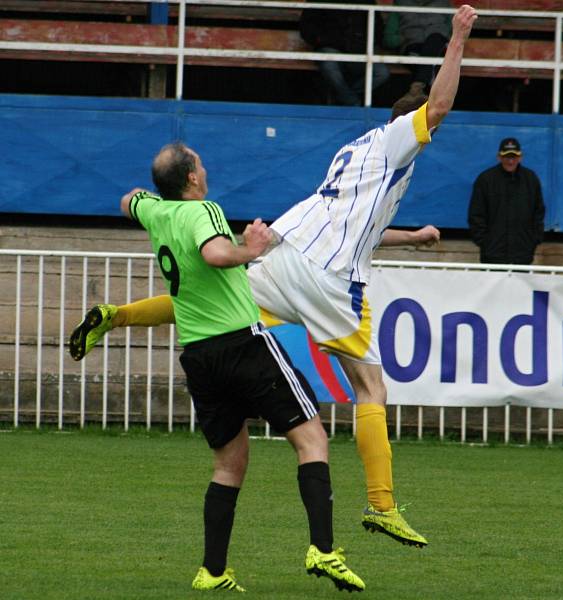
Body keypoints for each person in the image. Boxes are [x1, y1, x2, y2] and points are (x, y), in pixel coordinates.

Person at [70, 4, 478, 551]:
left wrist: (413, 237)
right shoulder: (402, 142)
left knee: (205, 301)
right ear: (412, 123)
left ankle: (114, 316)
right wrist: (457, 39)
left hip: (285, 251)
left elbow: (355, 224)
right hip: (329, 276)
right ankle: (381, 505)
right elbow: (443, 102)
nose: (435, 127)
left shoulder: (359, 150)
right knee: (370, 385)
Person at [119, 142, 364, 593]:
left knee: (228, 466)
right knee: (312, 439)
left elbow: (129, 198)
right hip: (241, 344)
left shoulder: (156, 212)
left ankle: (212, 572)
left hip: (198, 355)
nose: (206, 167)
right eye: (200, 162)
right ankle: (324, 551)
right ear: (192, 178)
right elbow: (215, 254)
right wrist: (252, 247)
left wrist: (145, 200)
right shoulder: (203, 210)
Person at [468, 137, 546, 265]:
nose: (510, 161)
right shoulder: (485, 180)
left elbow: (539, 213)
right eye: (506, 157)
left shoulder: (531, 180)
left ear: (520, 157)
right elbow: (476, 215)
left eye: (514, 157)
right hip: (492, 256)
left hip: (523, 256)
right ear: (499, 157)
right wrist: (485, 243)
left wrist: (533, 241)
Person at [299, 0, 390, 106]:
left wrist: (363, 44)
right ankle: (352, 101)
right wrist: (323, 40)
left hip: (360, 52)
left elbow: (377, 29)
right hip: (331, 49)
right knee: (329, 66)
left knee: (381, 73)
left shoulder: (367, 1)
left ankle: (343, 96)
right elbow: (306, 28)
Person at [383, 0, 451, 93]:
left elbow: (453, 31)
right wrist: (403, 38)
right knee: (429, 66)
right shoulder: (400, 3)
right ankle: (425, 91)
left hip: (439, 47)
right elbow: (389, 38)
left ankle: (418, 87)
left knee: (435, 38)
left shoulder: (443, 3)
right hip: (412, 46)